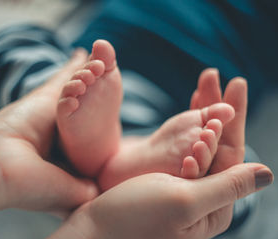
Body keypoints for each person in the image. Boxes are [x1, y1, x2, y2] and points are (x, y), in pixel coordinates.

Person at [0, 52, 274, 239]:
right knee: (14, 47)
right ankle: (120, 161)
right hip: (79, 88)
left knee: (228, 167)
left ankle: (119, 155)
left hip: (161, 112)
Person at [57, 39, 236, 190]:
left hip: (125, 39)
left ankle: (122, 155)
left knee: (53, 68)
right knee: (217, 154)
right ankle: (128, 155)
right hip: (201, 65)